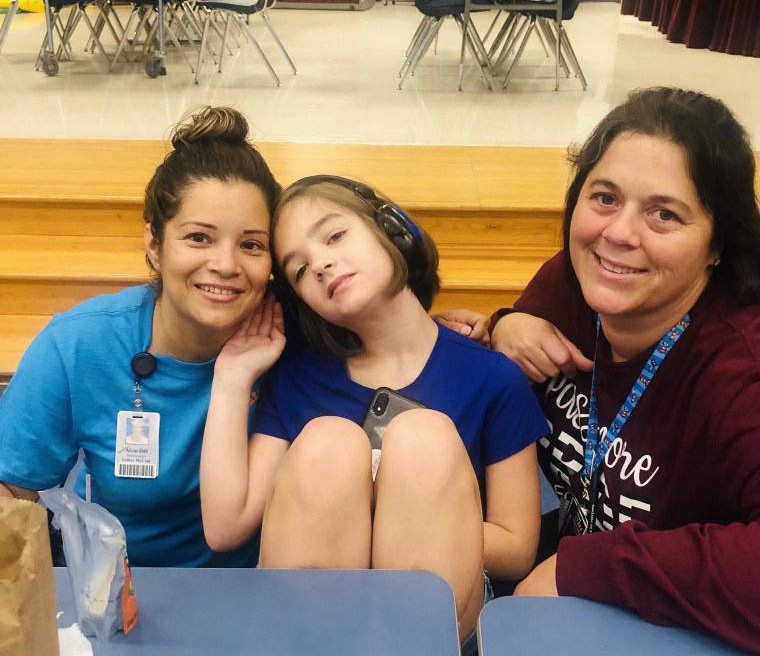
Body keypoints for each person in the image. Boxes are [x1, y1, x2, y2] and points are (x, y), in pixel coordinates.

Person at [437, 87, 760, 652]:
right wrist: (502, 326)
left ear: (718, 244)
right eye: (605, 198)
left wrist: (588, 569)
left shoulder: (739, 366)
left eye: (665, 214)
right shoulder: (574, 280)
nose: (618, 235)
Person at [200, 175, 548, 647]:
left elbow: (517, 545)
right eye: (299, 270)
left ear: (392, 228)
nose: (320, 264)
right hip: (313, 621)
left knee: (422, 439)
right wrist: (233, 376)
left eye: (335, 236)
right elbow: (226, 526)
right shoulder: (299, 374)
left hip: (431, 619)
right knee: (330, 443)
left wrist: (406, 521)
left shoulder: (491, 376)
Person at [0, 106, 281, 568]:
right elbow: (12, 490)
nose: (227, 264)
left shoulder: (296, 336)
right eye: (199, 238)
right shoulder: (80, 344)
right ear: (154, 242)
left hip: (254, 599)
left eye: (251, 244)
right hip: (119, 601)